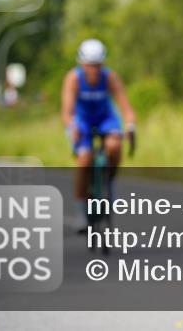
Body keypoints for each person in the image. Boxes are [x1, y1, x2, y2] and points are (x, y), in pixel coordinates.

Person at [61, 39, 137, 231]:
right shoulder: (74, 79)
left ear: (102, 64)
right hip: (82, 121)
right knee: (84, 160)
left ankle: (108, 181)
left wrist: (130, 126)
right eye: (89, 65)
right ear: (82, 64)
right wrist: (72, 127)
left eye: (97, 65)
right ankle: (81, 212)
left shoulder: (110, 78)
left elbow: (126, 107)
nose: (94, 70)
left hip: (106, 118)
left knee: (114, 146)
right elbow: (67, 112)